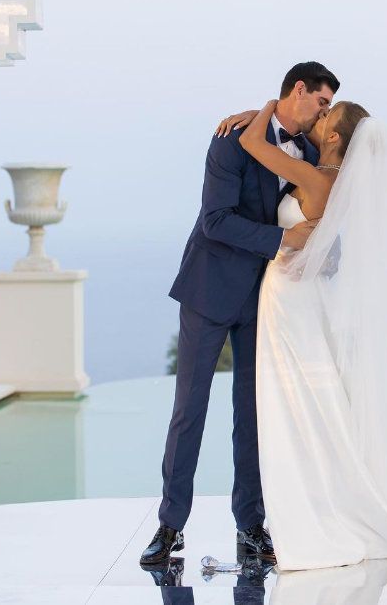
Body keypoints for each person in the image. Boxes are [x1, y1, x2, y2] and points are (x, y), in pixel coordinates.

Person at [219, 98, 387, 574]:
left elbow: (249, 142)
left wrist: (265, 106)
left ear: (332, 137)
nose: (316, 118)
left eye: (325, 116)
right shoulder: (336, 181)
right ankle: (320, 500)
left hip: (289, 300)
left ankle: (313, 513)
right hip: (300, 295)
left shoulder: (317, 178)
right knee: (306, 400)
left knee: (292, 404)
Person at [139, 62, 340, 566]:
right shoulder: (230, 142)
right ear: (300, 89)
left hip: (267, 299)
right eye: (321, 101)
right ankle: (170, 526)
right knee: (190, 410)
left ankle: (250, 526)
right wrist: (282, 239)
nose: (325, 112)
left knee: (252, 414)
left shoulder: (314, 153)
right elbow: (215, 220)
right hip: (209, 289)